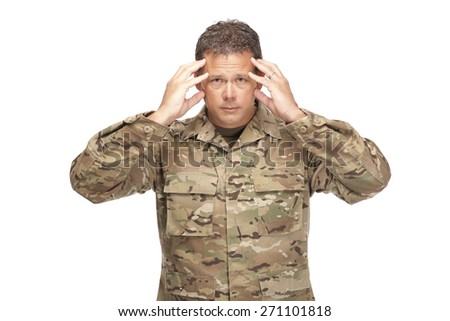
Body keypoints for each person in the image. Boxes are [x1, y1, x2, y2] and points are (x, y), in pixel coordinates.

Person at [70, 19, 391, 301]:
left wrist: (297, 116)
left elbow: (371, 180)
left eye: (240, 79)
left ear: (259, 79)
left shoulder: (298, 143)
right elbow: (88, 182)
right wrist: (159, 118)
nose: (229, 94)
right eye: (217, 80)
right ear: (198, 81)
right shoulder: (165, 144)